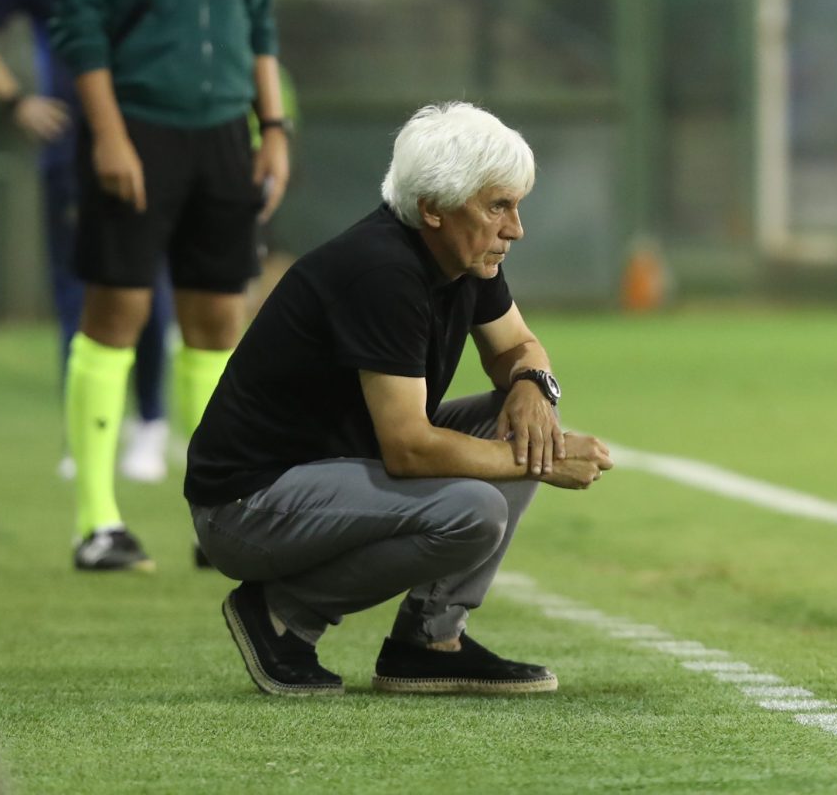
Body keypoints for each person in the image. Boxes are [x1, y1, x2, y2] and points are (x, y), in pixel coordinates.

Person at [185, 102, 613, 697]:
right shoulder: (381, 271)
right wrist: (543, 459)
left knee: (518, 421)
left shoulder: (465, 256)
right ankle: (282, 615)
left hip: (332, 471)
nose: (516, 228)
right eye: (497, 206)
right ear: (433, 208)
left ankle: (430, 642)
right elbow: (409, 448)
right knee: (474, 509)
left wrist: (532, 387)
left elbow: (518, 345)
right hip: (245, 505)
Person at [50, 0, 291, 571]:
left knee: (219, 322)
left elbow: (258, 24)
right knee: (116, 312)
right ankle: (97, 524)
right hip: (136, 125)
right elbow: (80, 24)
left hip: (227, 133)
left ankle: (219, 519)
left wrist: (273, 129)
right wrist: (108, 134)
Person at [0, 0, 173, 484]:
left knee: (148, 286)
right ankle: (84, 430)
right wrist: (15, 101)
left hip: (151, 140)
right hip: (70, 153)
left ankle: (150, 422)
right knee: (75, 292)